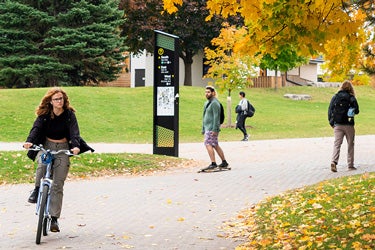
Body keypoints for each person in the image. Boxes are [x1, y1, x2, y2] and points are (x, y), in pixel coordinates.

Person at [23, 87, 93, 232]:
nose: (59, 101)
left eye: (61, 98)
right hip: (47, 146)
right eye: (56, 99)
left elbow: (74, 132)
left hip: (62, 147)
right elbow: (36, 129)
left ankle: (54, 219)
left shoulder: (69, 115)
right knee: (42, 165)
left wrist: (75, 147)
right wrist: (29, 141)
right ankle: (36, 190)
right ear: (50, 101)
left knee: (58, 184)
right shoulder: (44, 115)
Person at [328, 80, 359, 172]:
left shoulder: (335, 97)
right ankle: (350, 165)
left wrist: (331, 123)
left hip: (337, 124)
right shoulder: (351, 97)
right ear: (350, 88)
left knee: (337, 144)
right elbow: (357, 110)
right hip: (349, 125)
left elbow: (330, 110)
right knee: (350, 144)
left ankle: (334, 161)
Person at [201, 86, 229, 170]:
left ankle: (213, 163)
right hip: (207, 127)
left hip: (211, 128)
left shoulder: (215, 103)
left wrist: (215, 129)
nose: (207, 94)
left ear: (213, 93)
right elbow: (204, 116)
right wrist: (203, 128)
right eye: (206, 92)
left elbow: (216, 117)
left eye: (208, 92)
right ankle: (224, 162)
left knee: (208, 144)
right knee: (215, 145)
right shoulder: (207, 103)